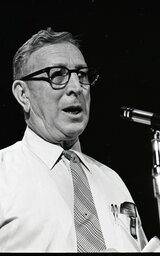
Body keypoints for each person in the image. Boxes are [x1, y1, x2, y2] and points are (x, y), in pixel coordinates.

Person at [0, 27, 152, 252]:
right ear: (23, 94)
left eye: (82, 75)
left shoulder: (113, 181)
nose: (76, 88)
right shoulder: (3, 173)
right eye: (57, 75)